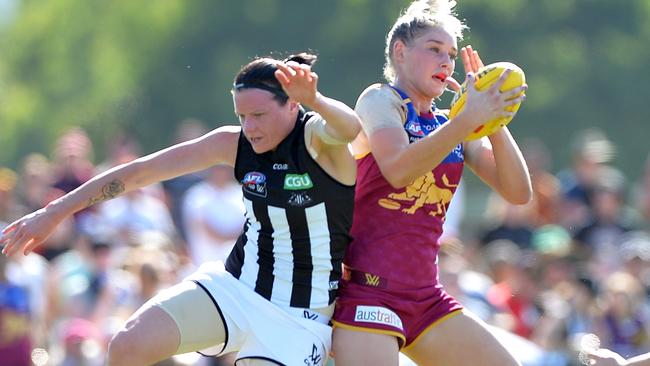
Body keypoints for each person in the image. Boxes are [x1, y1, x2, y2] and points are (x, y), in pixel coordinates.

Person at [1, 52, 361, 366]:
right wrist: (56, 211)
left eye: (259, 115)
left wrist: (316, 98)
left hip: (298, 315)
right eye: (241, 116)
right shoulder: (234, 144)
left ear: (293, 104)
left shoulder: (317, 140)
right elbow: (140, 172)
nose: (249, 127)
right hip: (236, 287)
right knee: (127, 347)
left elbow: (350, 127)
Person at [330, 0, 531, 365]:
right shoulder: (380, 100)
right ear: (400, 52)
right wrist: (466, 119)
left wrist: (493, 120)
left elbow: (518, 193)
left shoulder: (450, 122)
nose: (446, 62)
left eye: (451, 54)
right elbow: (397, 169)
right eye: (435, 50)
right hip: (368, 293)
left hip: (425, 297)